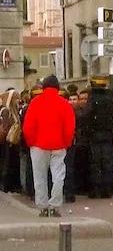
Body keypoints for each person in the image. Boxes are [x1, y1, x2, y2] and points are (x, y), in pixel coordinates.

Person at [22, 75, 75, 217]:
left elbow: (28, 126)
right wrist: (66, 142)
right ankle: (55, 205)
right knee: (58, 176)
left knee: (39, 176)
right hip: (58, 145)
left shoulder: (35, 103)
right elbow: (70, 127)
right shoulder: (65, 104)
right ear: (57, 88)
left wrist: (31, 142)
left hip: (38, 145)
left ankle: (43, 206)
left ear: (43, 87)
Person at [84, 77, 113, 199]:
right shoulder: (111, 99)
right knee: (107, 162)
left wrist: (87, 131)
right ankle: (107, 190)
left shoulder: (92, 99)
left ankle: (95, 190)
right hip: (108, 134)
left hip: (94, 135)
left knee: (95, 163)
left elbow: (86, 116)